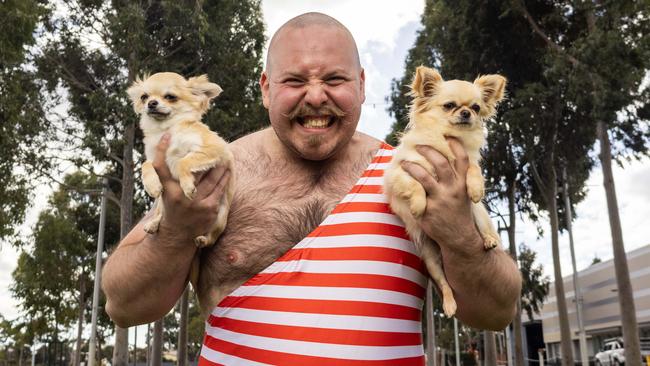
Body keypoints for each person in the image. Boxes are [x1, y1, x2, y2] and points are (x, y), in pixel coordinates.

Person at [102, 12, 521, 365]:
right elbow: (123, 306)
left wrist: (462, 236)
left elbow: (497, 312)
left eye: (335, 79)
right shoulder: (219, 169)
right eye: (295, 80)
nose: (316, 96)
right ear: (266, 88)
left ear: (360, 85)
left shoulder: (416, 173)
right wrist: (176, 230)